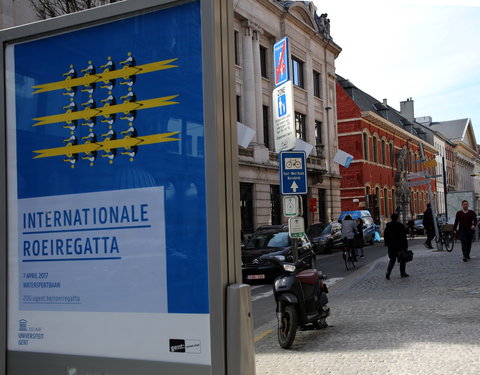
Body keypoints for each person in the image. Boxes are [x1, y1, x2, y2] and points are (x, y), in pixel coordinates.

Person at [384, 213, 409, 280]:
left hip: (391, 246)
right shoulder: (400, 225)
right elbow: (403, 236)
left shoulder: (388, 226)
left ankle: (388, 272)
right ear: (397, 218)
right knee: (402, 259)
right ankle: (402, 273)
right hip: (400, 246)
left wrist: (387, 244)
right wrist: (405, 246)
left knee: (392, 260)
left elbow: (385, 236)